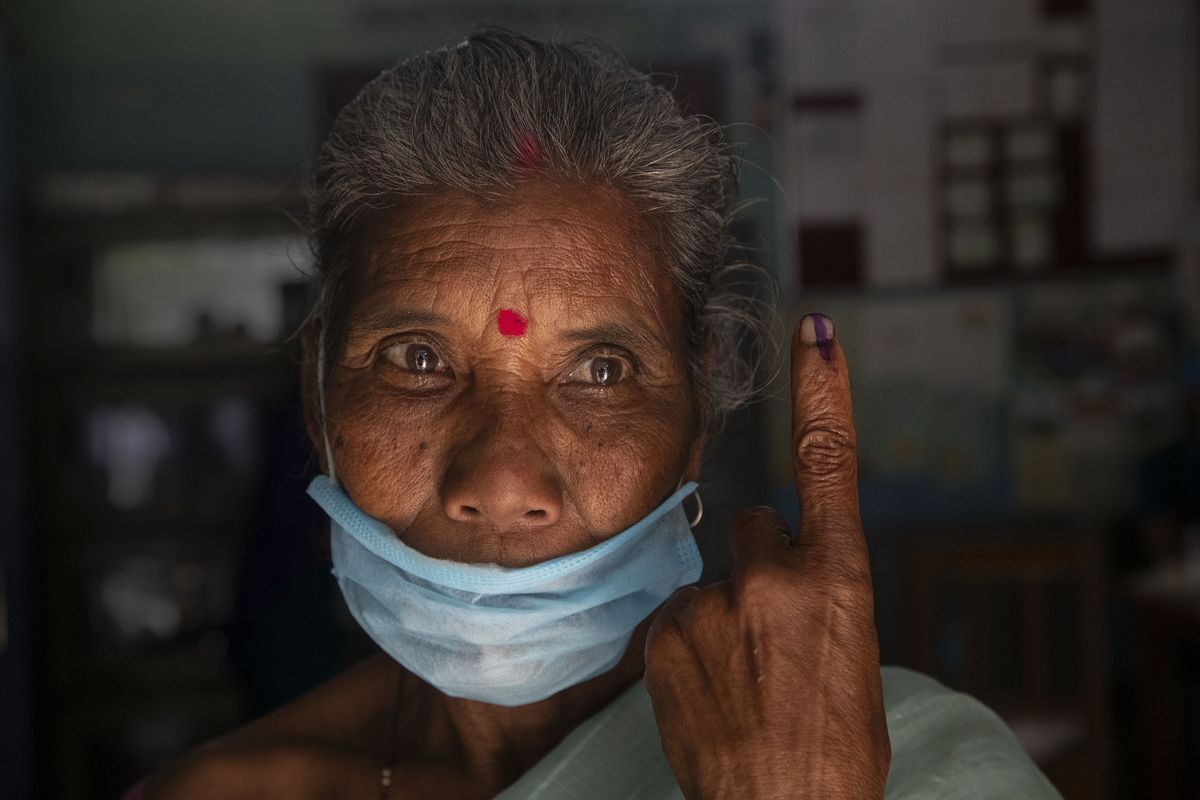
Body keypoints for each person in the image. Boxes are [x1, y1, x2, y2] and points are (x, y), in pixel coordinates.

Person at [133, 28, 1058, 799]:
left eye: (601, 370)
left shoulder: (922, 767)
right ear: (318, 395)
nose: (500, 484)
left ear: (697, 416)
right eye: (418, 360)